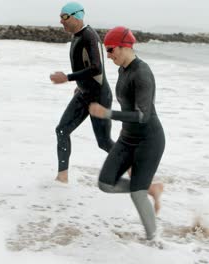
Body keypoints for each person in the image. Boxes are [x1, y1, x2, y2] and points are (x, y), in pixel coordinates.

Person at [88, 26, 166, 240]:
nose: (108, 55)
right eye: (106, 50)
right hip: (127, 137)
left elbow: (143, 115)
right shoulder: (123, 70)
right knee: (105, 183)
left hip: (148, 140)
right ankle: (151, 187)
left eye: (111, 50)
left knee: (137, 193)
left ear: (124, 47)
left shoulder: (142, 73)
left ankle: (155, 243)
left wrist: (108, 113)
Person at [50, 2, 114, 183]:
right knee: (62, 130)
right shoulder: (76, 36)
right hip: (84, 92)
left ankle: (134, 167)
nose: (61, 21)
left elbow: (96, 68)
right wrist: (79, 83)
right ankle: (62, 177)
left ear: (77, 16)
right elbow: (85, 66)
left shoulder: (89, 36)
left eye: (64, 17)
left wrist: (68, 77)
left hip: (98, 97)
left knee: (104, 142)